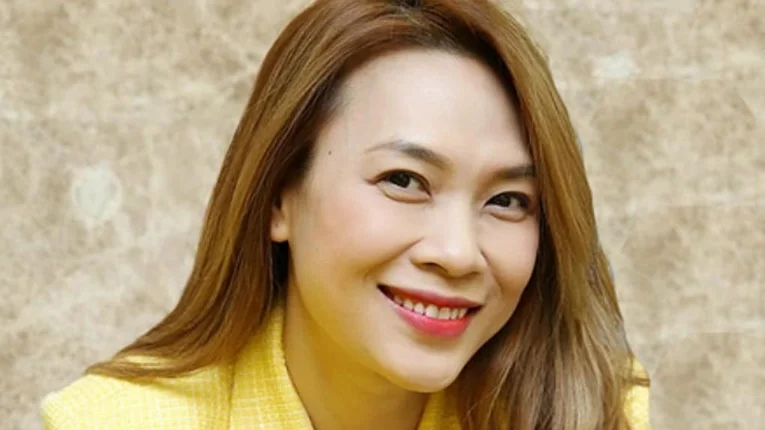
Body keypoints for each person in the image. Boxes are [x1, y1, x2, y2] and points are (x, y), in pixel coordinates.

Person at [42, 0, 651, 428]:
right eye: (404, 181)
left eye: (507, 200)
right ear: (278, 196)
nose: (458, 253)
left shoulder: (593, 408)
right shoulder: (113, 422)